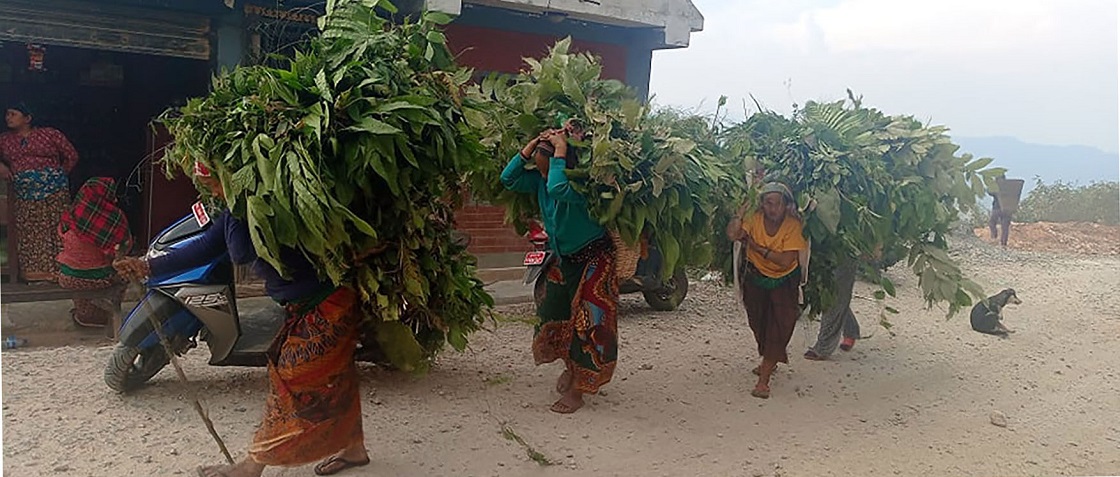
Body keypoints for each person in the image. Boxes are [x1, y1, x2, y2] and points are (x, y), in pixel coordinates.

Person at [113, 161, 371, 477]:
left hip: (329, 303)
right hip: (302, 305)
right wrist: (147, 266)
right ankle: (354, 449)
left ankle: (251, 467)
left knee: (291, 380)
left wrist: (238, 205)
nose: (213, 192)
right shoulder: (237, 209)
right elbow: (205, 246)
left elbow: (240, 253)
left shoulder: (269, 206)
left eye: (215, 184)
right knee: (338, 376)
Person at [500, 128, 619, 414]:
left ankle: (581, 387)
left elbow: (557, 188)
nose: (541, 172)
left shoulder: (581, 187)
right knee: (556, 312)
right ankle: (570, 366)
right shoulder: (543, 181)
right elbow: (508, 179)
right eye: (538, 165)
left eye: (545, 164)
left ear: (563, 162)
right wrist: (530, 146)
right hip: (564, 259)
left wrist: (561, 151)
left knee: (590, 323)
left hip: (595, 259)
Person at [727, 182, 809, 399]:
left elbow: (784, 261)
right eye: (768, 203)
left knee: (779, 327)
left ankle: (763, 380)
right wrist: (739, 213)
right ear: (761, 204)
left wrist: (756, 247)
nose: (773, 209)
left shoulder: (793, 226)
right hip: (756, 279)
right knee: (758, 322)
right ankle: (768, 360)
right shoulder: (754, 219)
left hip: (784, 282)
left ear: (786, 205)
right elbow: (733, 235)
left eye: (778, 204)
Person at [0, 103, 79, 282]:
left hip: (55, 191)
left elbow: (71, 155)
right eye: (7, 114)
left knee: (57, 228)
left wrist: (57, 176)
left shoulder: (50, 134)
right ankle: (36, 273)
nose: (8, 118)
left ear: (28, 118)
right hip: (24, 194)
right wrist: (2, 166)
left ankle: (62, 271)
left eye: (13, 114)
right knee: (30, 230)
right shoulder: (4, 139)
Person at [56, 177, 132, 328]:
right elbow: (124, 248)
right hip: (100, 279)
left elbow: (61, 237)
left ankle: (85, 315)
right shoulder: (115, 217)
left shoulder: (70, 213)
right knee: (125, 273)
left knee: (77, 270)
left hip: (67, 278)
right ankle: (103, 315)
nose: (115, 199)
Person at [803, 259, 860, 360]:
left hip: (845, 251)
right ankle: (850, 329)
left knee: (835, 292)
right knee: (824, 292)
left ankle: (824, 346)